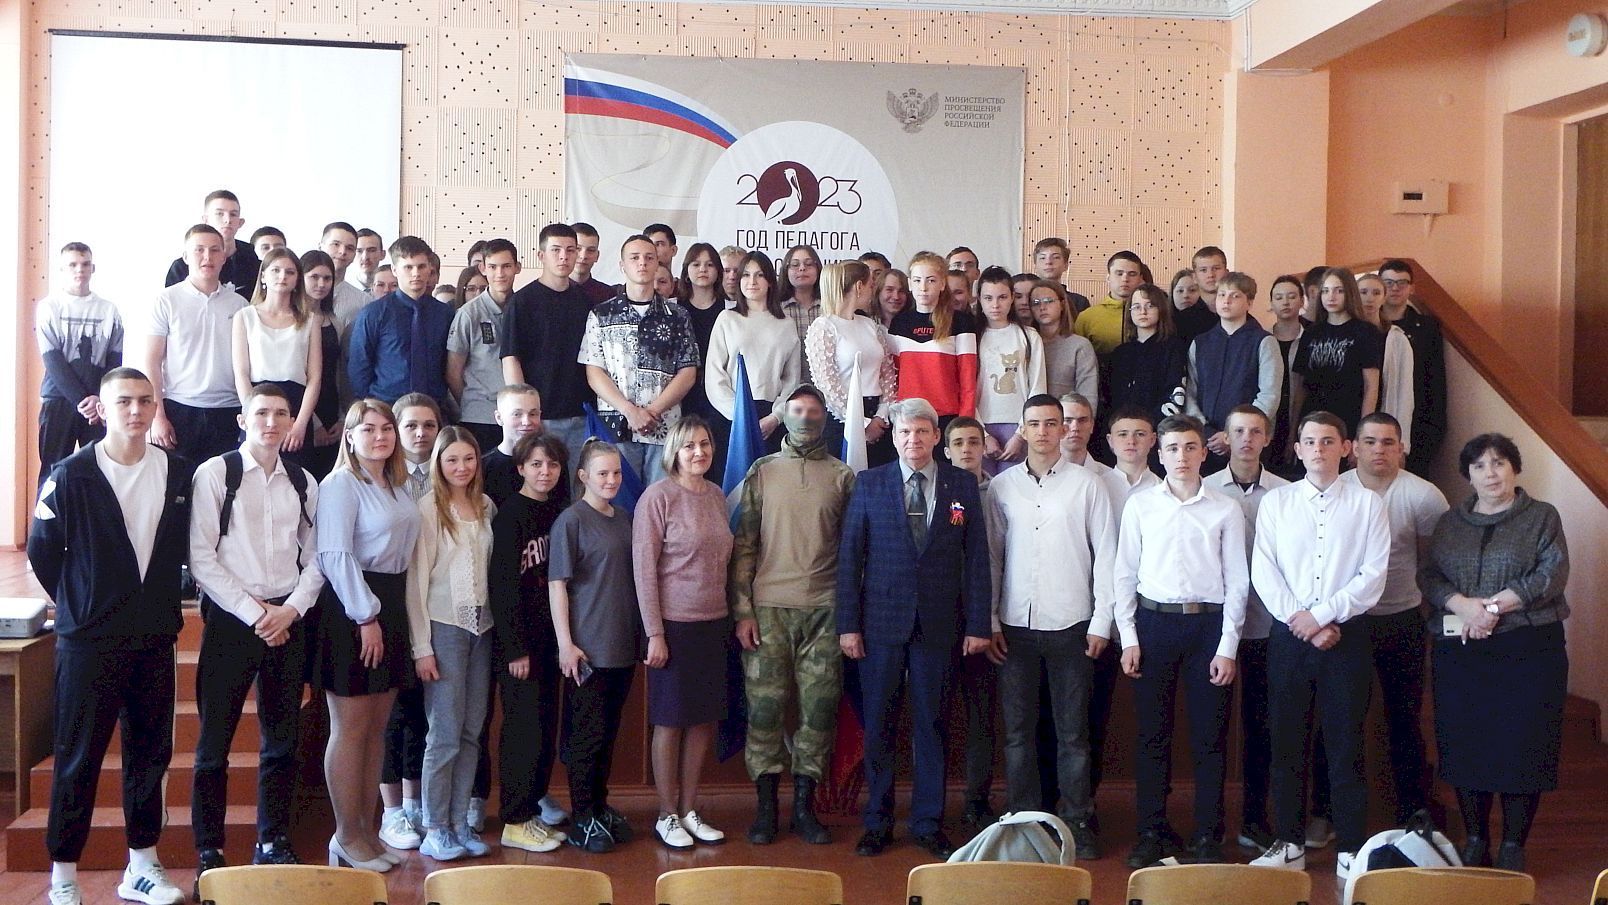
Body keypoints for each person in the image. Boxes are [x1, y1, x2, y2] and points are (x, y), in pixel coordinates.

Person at [29, 368, 192, 905]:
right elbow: (43, 551)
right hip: (88, 641)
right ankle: (63, 875)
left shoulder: (177, 472)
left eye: (145, 400)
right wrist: (84, 600)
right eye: (124, 401)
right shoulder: (70, 474)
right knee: (78, 756)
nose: (136, 410)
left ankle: (142, 865)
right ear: (101, 408)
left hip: (153, 637)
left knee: (150, 753)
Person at [838, 398, 992, 859]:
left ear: (936, 437)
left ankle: (928, 822)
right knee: (879, 724)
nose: (913, 440)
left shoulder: (962, 484)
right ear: (895, 437)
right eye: (905, 432)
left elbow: (976, 560)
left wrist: (978, 623)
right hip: (879, 626)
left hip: (940, 626)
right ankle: (878, 821)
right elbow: (850, 559)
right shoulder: (870, 483)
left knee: (932, 724)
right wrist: (848, 626)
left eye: (922, 431)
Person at [188, 383, 322, 892]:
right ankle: (209, 849)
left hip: (286, 619)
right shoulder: (215, 474)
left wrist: (290, 610)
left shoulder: (304, 481)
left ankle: (273, 839)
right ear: (243, 419)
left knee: (281, 740)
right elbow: (201, 558)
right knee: (213, 743)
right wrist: (254, 613)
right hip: (232, 619)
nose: (272, 422)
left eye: (281, 414)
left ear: (291, 422)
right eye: (261, 412)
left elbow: (317, 557)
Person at [1419, 433, 1569, 873]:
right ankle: (1476, 839)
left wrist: (1492, 608)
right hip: (1462, 651)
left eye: (1499, 463)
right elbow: (1430, 576)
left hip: (1529, 648)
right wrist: (1463, 606)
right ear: (1468, 474)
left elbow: (1551, 573)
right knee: (1466, 744)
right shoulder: (1450, 522)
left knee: (1524, 743)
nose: (1491, 473)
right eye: (1480, 465)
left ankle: (1514, 844)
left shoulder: (1542, 516)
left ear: (1514, 469)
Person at [1249, 412, 1389, 876]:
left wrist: (1324, 616)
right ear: (1297, 449)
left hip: (1346, 637)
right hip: (1290, 637)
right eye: (1309, 441)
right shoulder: (1277, 503)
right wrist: (1303, 620)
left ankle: (1350, 848)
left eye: (1328, 441)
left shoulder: (1368, 504)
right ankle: (1289, 843)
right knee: (1286, 741)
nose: (1318, 450)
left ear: (1346, 448)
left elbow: (1373, 575)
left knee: (1346, 744)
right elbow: (1264, 569)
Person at [1113, 414, 1246, 867]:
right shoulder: (1141, 506)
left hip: (1208, 628)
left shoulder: (1225, 508)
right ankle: (1151, 830)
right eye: (1172, 448)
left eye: (1190, 447)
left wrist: (1227, 646)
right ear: (1160, 453)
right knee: (1152, 735)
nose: (1182, 456)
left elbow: (1238, 581)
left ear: (1204, 453)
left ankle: (1208, 834)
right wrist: (1129, 637)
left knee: (1210, 737)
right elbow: (1124, 573)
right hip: (1154, 626)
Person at [986, 393, 1112, 859]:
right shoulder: (1002, 487)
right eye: (1034, 423)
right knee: (1018, 733)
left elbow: (1107, 556)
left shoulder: (1088, 486)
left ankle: (1076, 820)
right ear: (1022, 429)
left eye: (1051, 423)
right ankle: (1024, 822)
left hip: (1072, 624)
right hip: (1015, 626)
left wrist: (1102, 621)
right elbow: (993, 558)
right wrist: (990, 618)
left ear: (1064, 429)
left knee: (1073, 734)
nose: (1042, 431)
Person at [730, 385, 855, 845]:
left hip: (824, 612)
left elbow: (853, 551)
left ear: (824, 417)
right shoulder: (762, 471)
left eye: (813, 410)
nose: (805, 417)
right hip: (768, 613)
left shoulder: (843, 476)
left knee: (818, 713)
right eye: (797, 410)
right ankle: (766, 809)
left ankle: (805, 808)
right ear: (784, 415)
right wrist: (743, 611)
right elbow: (744, 546)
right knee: (764, 712)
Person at [1316, 413, 1447, 828]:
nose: (1379, 450)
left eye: (1388, 442)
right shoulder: (1335, 488)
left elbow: (1432, 562)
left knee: (1404, 718)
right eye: (1370, 441)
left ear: (1402, 448)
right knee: (1338, 718)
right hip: (1344, 621)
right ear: (1353, 447)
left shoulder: (1423, 496)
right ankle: (1325, 812)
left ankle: (1413, 809)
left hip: (1401, 619)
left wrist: (1422, 609)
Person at [316, 399, 422, 872]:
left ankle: (366, 830)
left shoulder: (398, 485)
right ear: (350, 436)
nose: (380, 436)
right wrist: (365, 617)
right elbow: (335, 555)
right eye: (368, 429)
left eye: (386, 429)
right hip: (355, 609)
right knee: (351, 728)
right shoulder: (341, 484)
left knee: (378, 729)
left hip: (391, 603)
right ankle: (346, 835)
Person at [633, 417, 734, 849]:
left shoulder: (716, 496)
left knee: (702, 720)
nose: (699, 452)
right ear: (674, 451)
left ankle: (690, 810)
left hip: (714, 622)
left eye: (705, 444)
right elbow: (643, 570)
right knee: (670, 720)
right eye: (689, 445)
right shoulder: (658, 497)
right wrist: (654, 633)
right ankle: (666, 813)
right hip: (672, 626)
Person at [405, 427, 498, 861]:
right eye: (452, 460)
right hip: (443, 628)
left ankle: (460, 822)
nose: (461, 468)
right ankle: (435, 827)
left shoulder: (486, 506)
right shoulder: (427, 509)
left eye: (468, 459)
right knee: (443, 733)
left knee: (471, 730)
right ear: (438, 464)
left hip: (482, 628)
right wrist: (421, 646)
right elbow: (416, 583)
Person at [1202, 404, 1288, 853]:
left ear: (1267, 438)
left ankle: (1255, 819)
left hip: (1270, 628)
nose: (1247, 439)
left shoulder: (1286, 493)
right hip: (1216, 632)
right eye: (1238, 431)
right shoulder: (1203, 489)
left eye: (1255, 431)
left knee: (1263, 728)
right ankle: (1209, 825)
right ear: (1225, 437)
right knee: (1211, 731)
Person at [551, 439, 642, 853]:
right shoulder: (571, 520)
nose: (611, 480)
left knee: (607, 734)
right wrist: (566, 644)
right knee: (585, 737)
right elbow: (558, 585)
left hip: (622, 645)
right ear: (584, 476)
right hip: (588, 650)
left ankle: (600, 806)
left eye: (616, 472)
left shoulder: (624, 518)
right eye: (602, 473)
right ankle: (582, 816)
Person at [488, 433, 573, 853]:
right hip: (520, 647)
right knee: (522, 732)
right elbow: (502, 588)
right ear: (521, 468)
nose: (545, 472)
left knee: (543, 729)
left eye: (553, 464)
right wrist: (515, 649)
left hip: (550, 642)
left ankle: (532, 810)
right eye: (537, 464)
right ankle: (514, 818)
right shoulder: (510, 516)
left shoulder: (559, 511)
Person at [579, 234, 699, 483]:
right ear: (622, 265)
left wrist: (652, 411)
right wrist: (630, 411)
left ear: (657, 264)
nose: (642, 263)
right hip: (617, 426)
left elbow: (687, 372)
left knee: (661, 498)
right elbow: (594, 371)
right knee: (617, 498)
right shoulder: (601, 314)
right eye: (634, 258)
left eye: (648, 258)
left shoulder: (678, 316)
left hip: (663, 427)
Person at [147, 224, 248, 465]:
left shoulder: (240, 305)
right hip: (180, 408)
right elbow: (151, 362)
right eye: (199, 249)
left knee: (223, 483)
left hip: (228, 410)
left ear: (224, 257)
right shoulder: (166, 300)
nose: (207, 257)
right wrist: (157, 416)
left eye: (214, 250)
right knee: (177, 483)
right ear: (185, 256)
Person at [941, 416, 1000, 825]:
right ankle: (933, 802)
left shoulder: (1000, 493)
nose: (966, 449)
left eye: (973, 442)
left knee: (982, 716)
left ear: (984, 448)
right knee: (935, 714)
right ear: (946, 450)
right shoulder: (936, 491)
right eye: (958, 442)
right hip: (941, 621)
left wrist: (990, 620)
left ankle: (977, 799)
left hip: (988, 622)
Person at [503, 224, 594, 472]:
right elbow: (510, 358)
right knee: (539, 482)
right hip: (540, 417)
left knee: (577, 484)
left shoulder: (585, 301)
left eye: (570, 250)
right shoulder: (522, 302)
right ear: (541, 255)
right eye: (556, 250)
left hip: (580, 414)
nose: (564, 257)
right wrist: (527, 413)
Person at [35, 242, 122, 478]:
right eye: (72, 265)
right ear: (62, 269)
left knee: (97, 471)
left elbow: (114, 361)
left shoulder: (109, 310)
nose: (79, 270)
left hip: (98, 403)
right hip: (59, 400)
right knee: (53, 471)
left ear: (93, 268)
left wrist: (98, 398)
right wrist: (83, 401)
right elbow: (52, 360)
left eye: (85, 264)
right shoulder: (49, 307)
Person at [705, 252, 802, 456]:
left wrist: (776, 417)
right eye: (746, 275)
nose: (752, 281)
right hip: (731, 415)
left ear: (770, 281)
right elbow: (714, 375)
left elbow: (792, 380)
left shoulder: (786, 324)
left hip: (771, 419)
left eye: (759, 275)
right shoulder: (727, 319)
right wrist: (740, 416)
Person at [1184, 271, 1282, 470]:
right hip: (1207, 440)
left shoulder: (1263, 342)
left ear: (1249, 302)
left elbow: (1269, 395)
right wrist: (1205, 430)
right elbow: (1190, 392)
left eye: (1235, 296)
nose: (1226, 301)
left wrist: (1235, 433)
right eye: (1221, 295)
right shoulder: (1200, 343)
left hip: (1247, 440)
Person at [232, 249, 322, 464]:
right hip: (256, 400)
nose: (282, 276)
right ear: (263, 276)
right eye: (276, 270)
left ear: (297, 279)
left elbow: (314, 377)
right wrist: (252, 415)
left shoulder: (310, 320)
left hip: (296, 405)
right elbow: (241, 373)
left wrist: (300, 423)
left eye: (290, 272)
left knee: (295, 473)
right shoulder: (245, 316)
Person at [805, 260, 898, 464]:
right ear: (858, 287)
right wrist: (861, 423)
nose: (873, 291)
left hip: (878, 415)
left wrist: (881, 415)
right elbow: (827, 385)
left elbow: (888, 373)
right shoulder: (824, 327)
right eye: (871, 285)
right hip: (842, 418)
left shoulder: (869, 324)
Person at [348, 236, 454, 405]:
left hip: (433, 406)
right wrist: (369, 404)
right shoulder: (373, 313)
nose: (416, 273)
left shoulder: (445, 314)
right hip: (386, 405)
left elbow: (450, 364)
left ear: (429, 268)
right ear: (395, 270)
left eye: (421, 266)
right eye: (408, 267)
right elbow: (359, 365)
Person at [1291, 268, 1383, 440]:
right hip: (1311, 418)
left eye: (1339, 291)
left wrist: (1363, 433)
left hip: (1348, 418)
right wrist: (1293, 433)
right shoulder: (1311, 333)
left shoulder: (1366, 332)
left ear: (1350, 293)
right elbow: (1301, 388)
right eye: (1325, 291)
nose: (1331, 297)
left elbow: (1371, 387)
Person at [449, 238, 521, 451]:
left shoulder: (526, 308)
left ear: (517, 267)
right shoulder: (468, 314)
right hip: (479, 416)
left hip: (519, 417)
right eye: (493, 267)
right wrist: (473, 401)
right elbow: (453, 372)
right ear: (483, 269)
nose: (500, 273)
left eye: (506, 266)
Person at [890, 252, 978, 429]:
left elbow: (968, 380)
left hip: (947, 417)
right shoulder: (899, 322)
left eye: (931, 280)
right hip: (907, 416)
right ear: (910, 284)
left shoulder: (961, 321)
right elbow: (892, 376)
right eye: (917, 281)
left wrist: (965, 422)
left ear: (942, 284)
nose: (923, 287)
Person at [974, 266, 1046, 475]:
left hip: (1019, 425)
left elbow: (1038, 387)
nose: (995, 305)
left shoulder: (1029, 336)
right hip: (981, 423)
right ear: (979, 299)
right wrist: (983, 434)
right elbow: (966, 389)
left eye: (1002, 297)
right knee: (982, 486)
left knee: (1015, 485)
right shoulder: (972, 337)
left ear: (1012, 298)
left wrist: (1021, 434)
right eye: (988, 298)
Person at [1378, 259, 1446, 476]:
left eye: (1402, 283)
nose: (1395, 288)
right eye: (1388, 282)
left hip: (1417, 421)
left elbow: (1435, 379)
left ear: (1411, 288)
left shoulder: (1427, 327)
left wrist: (1435, 427)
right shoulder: (1367, 325)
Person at [674, 242, 732, 458]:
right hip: (680, 394)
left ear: (718, 271)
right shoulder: (673, 308)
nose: (703, 269)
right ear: (686, 271)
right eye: (696, 264)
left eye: (709, 264)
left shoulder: (731, 309)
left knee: (716, 454)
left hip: (720, 393)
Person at [1105, 282, 1188, 430]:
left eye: (1150, 306)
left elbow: (1175, 392)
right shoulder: (1120, 353)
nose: (1143, 311)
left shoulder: (1174, 348)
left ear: (1160, 309)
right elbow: (1110, 397)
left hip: (1159, 428)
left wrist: (1149, 427)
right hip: (1122, 429)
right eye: (1136, 306)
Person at [163, 189, 260, 301]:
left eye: (233, 214)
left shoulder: (252, 262)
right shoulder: (182, 267)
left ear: (240, 222)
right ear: (205, 220)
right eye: (219, 214)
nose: (227, 220)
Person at [1356, 273, 1416, 452]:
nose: (1369, 298)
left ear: (1384, 297)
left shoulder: (1396, 338)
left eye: (1376, 293)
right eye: (1363, 292)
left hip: (1384, 413)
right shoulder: (1347, 333)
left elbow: (1405, 392)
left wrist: (1402, 441)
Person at [299, 250, 345, 478]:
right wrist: (313, 422)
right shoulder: (294, 320)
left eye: (327, 278)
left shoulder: (333, 320)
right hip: (302, 408)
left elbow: (340, 371)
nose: (321, 284)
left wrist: (342, 415)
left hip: (331, 407)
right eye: (314, 277)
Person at [1029, 280, 1099, 406]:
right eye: (1036, 303)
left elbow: (1088, 395)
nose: (1042, 307)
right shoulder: (1028, 343)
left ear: (1062, 304)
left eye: (1048, 301)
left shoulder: (1079, 345)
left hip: (1068, 415)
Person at [480, 384, 547, 506]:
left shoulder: (551, 462)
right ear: (499, 418)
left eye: (533, 414)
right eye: (517, 414)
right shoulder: (483, 467)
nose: (526, 422)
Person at [1266, 275, 1306, 477]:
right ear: (1271, 303)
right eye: (1279, 297)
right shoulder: (1261, 339)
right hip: (1269, 420)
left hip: (1301, 418)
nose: (1286, 302)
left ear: (1302, 300)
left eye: (1291, 296)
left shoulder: (1311, 339)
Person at [1076, 251, 1143, 357]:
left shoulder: (1151, 313)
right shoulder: (1087, 317)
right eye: (1119, 273)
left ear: (1140, 279)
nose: (1125, 279)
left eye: (1132, 274)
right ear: (1108, 278)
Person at [781, 245, 824, 379]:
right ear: (786, 271)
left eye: (809, 264)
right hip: (787, 386)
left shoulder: (829, 307)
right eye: (795, 265)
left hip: (825, 386)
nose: (802, 268)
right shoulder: (778, 309)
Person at [1103, 407, 1161, 502]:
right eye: (1123, 434)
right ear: (1110, 440)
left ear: (1152, 439)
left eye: (1140, 434)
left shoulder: (1162, 490)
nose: (1131, 441)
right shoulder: (1097, 485)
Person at [1030, 237, 1090, 314]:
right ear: (1035, 265)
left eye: (1056, 257)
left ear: (1066, 265)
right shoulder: (1027, 299)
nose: (1048, 262)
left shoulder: (1079, 302)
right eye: (1042, 258)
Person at [570, 222, 616, 307]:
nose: (583, 256)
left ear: (597, 256)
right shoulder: (550, 291)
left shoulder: (609, 295)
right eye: (577, 248)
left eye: (590, 250)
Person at [1171, 268, 1217, 344]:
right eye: (1180, 291)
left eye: (1192, 290)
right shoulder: (1163, 323)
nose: (1185, 295)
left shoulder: (1212, 323)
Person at [354, 229, 385, 293]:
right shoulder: (339, 289)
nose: (365, 257)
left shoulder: (392, 290)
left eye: (372, 250)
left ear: (382, 254)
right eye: (359, 251)